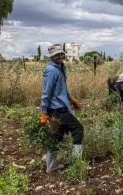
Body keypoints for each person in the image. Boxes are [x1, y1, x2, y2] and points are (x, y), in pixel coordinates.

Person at [39, 44, 83, 172]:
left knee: (57, 137)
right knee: (78, 129)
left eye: (61, 54)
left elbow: (62, 89)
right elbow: (46, 93)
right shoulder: (51, 70)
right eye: (56, 54)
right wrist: (44, 112)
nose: (59, 56)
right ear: (51, 56)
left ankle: (50, 166)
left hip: (61, 107)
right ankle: (76, 165)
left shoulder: (61, 68)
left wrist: (71, 100)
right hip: (57, 110)